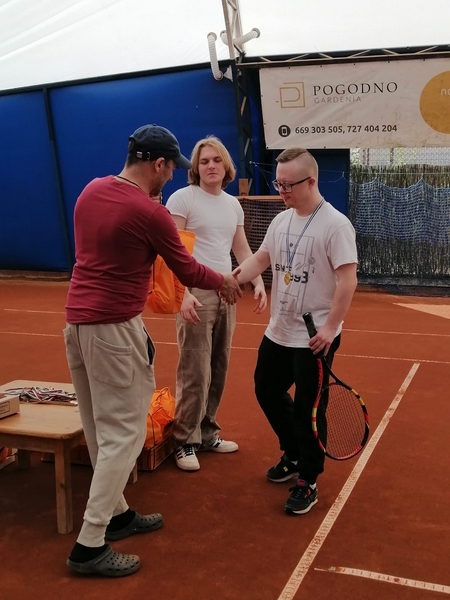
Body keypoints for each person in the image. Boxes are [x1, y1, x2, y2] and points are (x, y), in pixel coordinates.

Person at [63, 124, 242, 577]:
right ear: (157, 164)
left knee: (100, 427)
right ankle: (89, 543)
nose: (172, 176)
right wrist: (224, 280)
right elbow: (186, 269)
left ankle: (118, 513)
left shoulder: (90, 191)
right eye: (170, 168)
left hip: (77, 325)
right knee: (125, 435)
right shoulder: (150, 212)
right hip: (113, 331)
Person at [232, 147, 358, 514]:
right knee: (266, 390)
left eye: (288, 185)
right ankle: (293, 452)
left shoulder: (335, 225)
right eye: (278, 184)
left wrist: (330, 329)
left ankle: (309, 477)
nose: (282, 191)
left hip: (315, 337)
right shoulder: (280, 221)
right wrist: (230, 278)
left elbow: (347, 280)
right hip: (279, 330)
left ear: (311, 181)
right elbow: (261, 259)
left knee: (309, 408)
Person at [165, 136, 267, 471]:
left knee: (219, 366)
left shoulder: (232, 205)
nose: (211, 166)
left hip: (228, 291)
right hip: (196, 292)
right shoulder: (183, 199)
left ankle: (207, 433)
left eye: (216, 160)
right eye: (204, 161)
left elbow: (241, 249)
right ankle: (184, 440)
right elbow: (173, 252)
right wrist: (183, 293)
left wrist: (257, 281)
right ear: (196, 168)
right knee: (195, 368)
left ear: (226, 166)